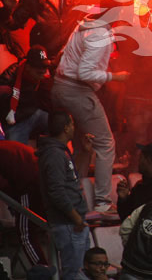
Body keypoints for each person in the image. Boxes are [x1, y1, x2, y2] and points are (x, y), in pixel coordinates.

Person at [51, 10, 132, 214]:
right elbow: (84, 73)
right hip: (77, 92)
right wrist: (115, 77)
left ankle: (74, 196)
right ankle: (103, 203)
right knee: (105, 143)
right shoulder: (99, 35)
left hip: (61, 88)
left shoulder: (83, 26)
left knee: (82, 144)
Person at [37, 110, 90, 280]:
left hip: (74, 223)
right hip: (68, 224)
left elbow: (75, 178)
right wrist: (75, 218)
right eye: (72, 124)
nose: (74, 127)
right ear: (66, 127)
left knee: (80, 270)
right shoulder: (54, 154)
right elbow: (56, 192)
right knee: (73, 274)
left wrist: (85, 152)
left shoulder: (61, 151)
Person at [0, 141, 47, 266]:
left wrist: (14, 204)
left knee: (26, 235)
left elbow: (3, 186)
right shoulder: (8, 146)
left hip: (29, 188)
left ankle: (42, 271)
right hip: (44, 183)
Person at [0, 46, 53, 144]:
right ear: (28, 67)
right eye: (39, 72)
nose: (43, 74)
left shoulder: (44, 78)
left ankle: (50, 154)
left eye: (44, 69)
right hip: (15, 122)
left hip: (34, 113)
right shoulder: (10, 77)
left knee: (57, 124)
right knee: (15, 150)